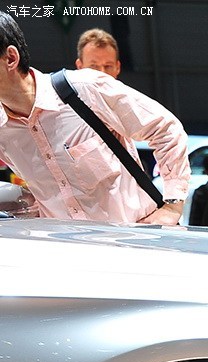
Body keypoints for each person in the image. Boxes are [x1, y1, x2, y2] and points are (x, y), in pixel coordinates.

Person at [0, 11, 187, 225]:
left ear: (11, 58)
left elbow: (166, 129)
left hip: (135, 237)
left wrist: (172, 206)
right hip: (65, 243)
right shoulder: (3, 130)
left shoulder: (85, 89)